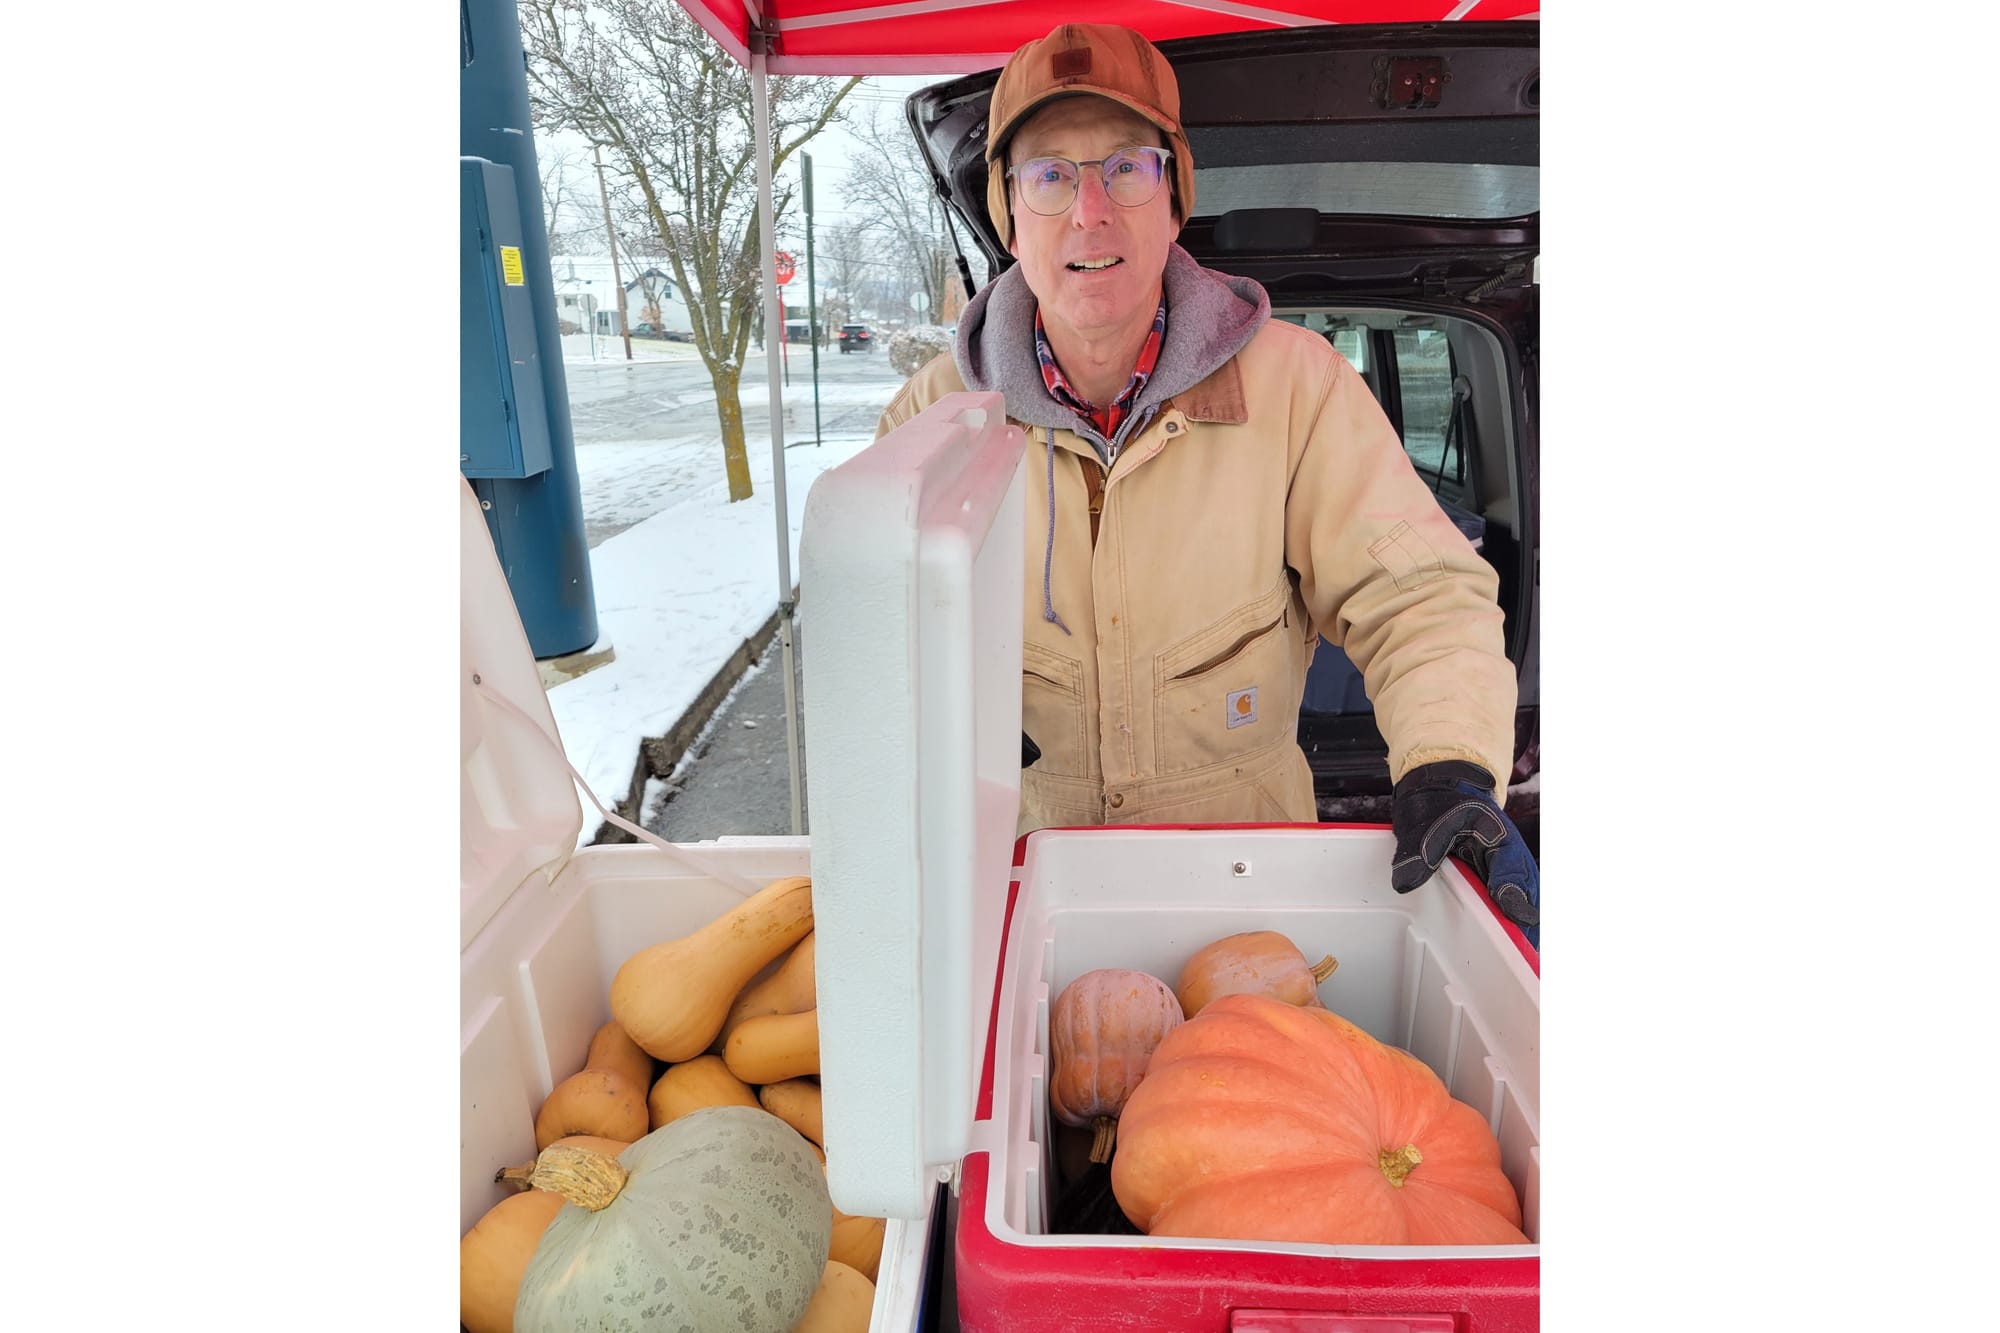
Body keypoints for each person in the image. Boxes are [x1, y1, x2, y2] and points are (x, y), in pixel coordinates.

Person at [874, 22, 1538, 943]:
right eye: (1049, 175)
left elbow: (1418, 592)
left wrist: (1452, 761)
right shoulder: (934, 421)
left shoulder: (1297, 388)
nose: (1089, 212)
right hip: (1019, 903)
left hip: (1248, 895)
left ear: (1175, 197)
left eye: (1127, 170)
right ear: (1009, 212)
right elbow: (872, 648)